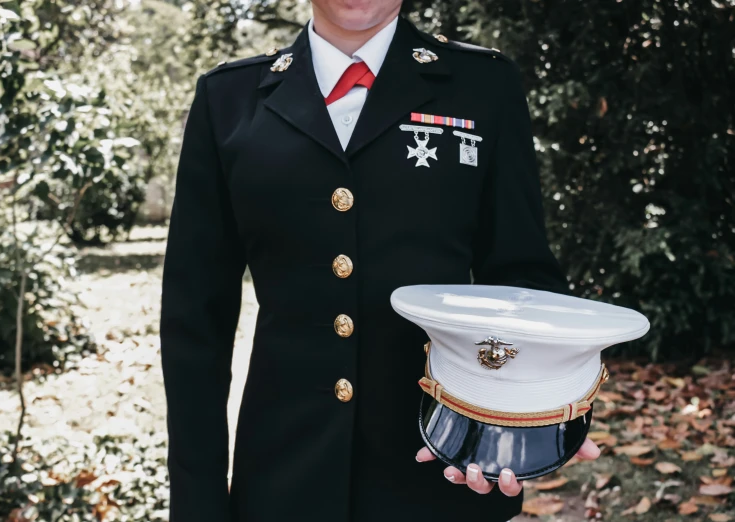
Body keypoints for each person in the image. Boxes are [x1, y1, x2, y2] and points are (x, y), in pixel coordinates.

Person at [160, 1, 600, 521]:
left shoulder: (483, 85)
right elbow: (195, 321)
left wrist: (512, 427)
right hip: (283, 477)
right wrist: (199, 501)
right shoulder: (228, 98)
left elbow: (521, 274)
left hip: (442, 466)